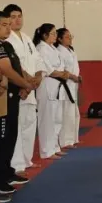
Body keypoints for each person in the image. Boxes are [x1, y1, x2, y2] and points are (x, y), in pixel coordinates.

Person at [0, 10, 37, 189]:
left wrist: (25, 83)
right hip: (0, 97)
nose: (8, 28)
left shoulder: (7, 45)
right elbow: (6, 70)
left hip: (13, 95)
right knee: (1, 137)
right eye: (4, 25)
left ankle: (7, 171)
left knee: (11, 136)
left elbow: (18, 67)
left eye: (10, 25)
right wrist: (26, 84)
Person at [6, 4, 43, 175]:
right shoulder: (7, 39)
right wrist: (26, 82)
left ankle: (27, 159)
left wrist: (37, 78)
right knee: (17, 127)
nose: (17, 19)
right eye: (13, 16)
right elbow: (14, 65)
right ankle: (17, 163)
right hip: (18, 87)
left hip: (30, 88)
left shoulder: (27, 38)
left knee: (29, 124)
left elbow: (37, 60)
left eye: (19, 16)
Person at [34, 23, 69, 160]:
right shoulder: (41, 48)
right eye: (53, 33)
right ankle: (46, 150)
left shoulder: (53, 49)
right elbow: (47, 69)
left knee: (57, 118)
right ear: (44, 35)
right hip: (47, 85)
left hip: (57, 86)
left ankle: (55, 147)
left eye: (55, 33)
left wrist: (63, 73)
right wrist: (61, 74)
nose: (55, 36)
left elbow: (61, 66)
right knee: (47, 119)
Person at [55, 28, 82, 149]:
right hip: (65, 84)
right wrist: (72, 76)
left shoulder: (70, 50)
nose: (70, 38)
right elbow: (61, 69)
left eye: (71, 36)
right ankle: (66, 141)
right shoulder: (59, 51)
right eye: (67, 36)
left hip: (73, 84)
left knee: (75, 114)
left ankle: (74, 138)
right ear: (59, 39)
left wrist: (77, 77)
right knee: (67, 114)